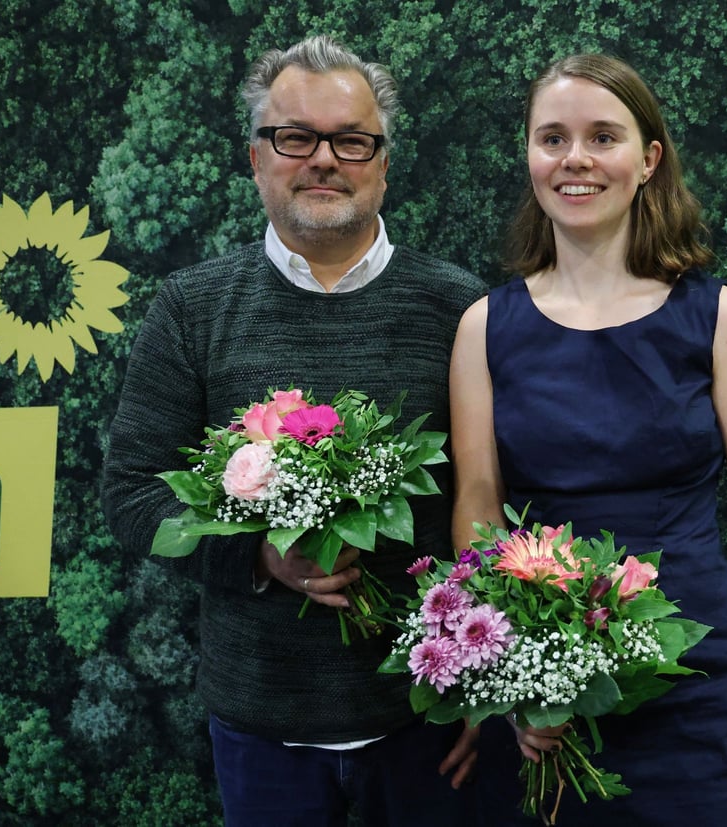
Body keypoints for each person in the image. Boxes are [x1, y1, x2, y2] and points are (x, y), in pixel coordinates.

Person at [101, 35, 485, 827]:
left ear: (383, 162)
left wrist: (489, 687)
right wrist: (259, 556)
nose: (323, 160)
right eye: (295, 138)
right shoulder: (192, 307)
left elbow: (496, 503)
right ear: (255, 158)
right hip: (259, 730)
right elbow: (131, 498)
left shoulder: (460, 308)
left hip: (427, 726)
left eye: (350, 140)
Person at [451, 53, 727, 825]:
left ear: (648, 161)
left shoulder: (719, 318)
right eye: (552, 138)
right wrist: (508, 687)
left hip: (701, 682)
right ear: (529, 156)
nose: (575, 159)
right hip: (550, 703)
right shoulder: (484, 329)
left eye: (602, 137)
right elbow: (478, 515)